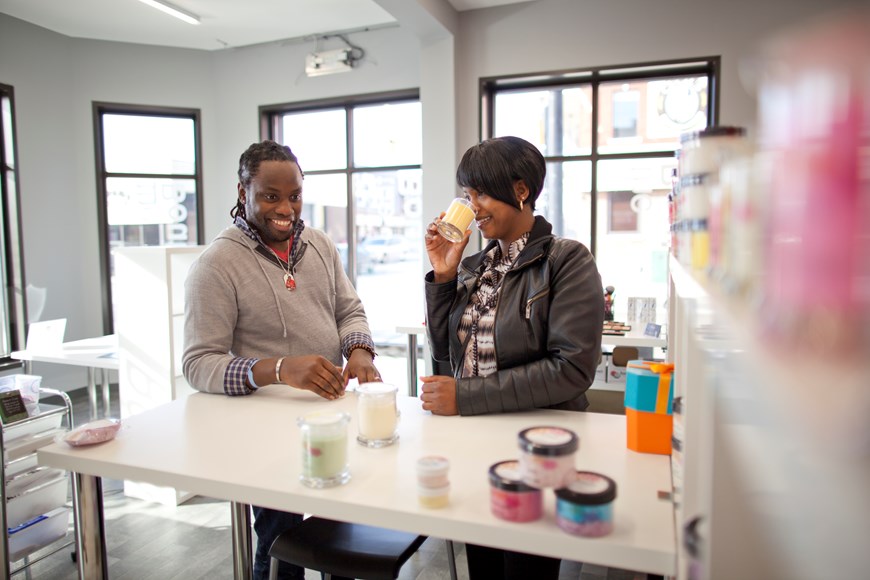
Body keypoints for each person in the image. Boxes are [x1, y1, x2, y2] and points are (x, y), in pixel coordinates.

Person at [182, 139, 379, 580]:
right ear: (242, 192)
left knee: (339, 540)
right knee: (279, 547)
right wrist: (277, 369)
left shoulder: (320, 245)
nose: (285, 209)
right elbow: (199, 362)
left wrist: (359, 351)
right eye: (271, 196)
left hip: (329, 417)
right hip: (264, 434)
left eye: (294, 196)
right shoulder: (215, 265)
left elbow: (349, 310)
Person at [420, 136, 604, 580]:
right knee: (482, 563)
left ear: (521, 190)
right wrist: (443, 276)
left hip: (536, 445)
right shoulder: (475, 266)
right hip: (476, 441)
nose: (472, 207)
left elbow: (571, 370)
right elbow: (448, 358)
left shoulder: (566, 260)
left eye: (481, 193)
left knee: (525, 569)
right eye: (467, 196)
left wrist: (465, 397)